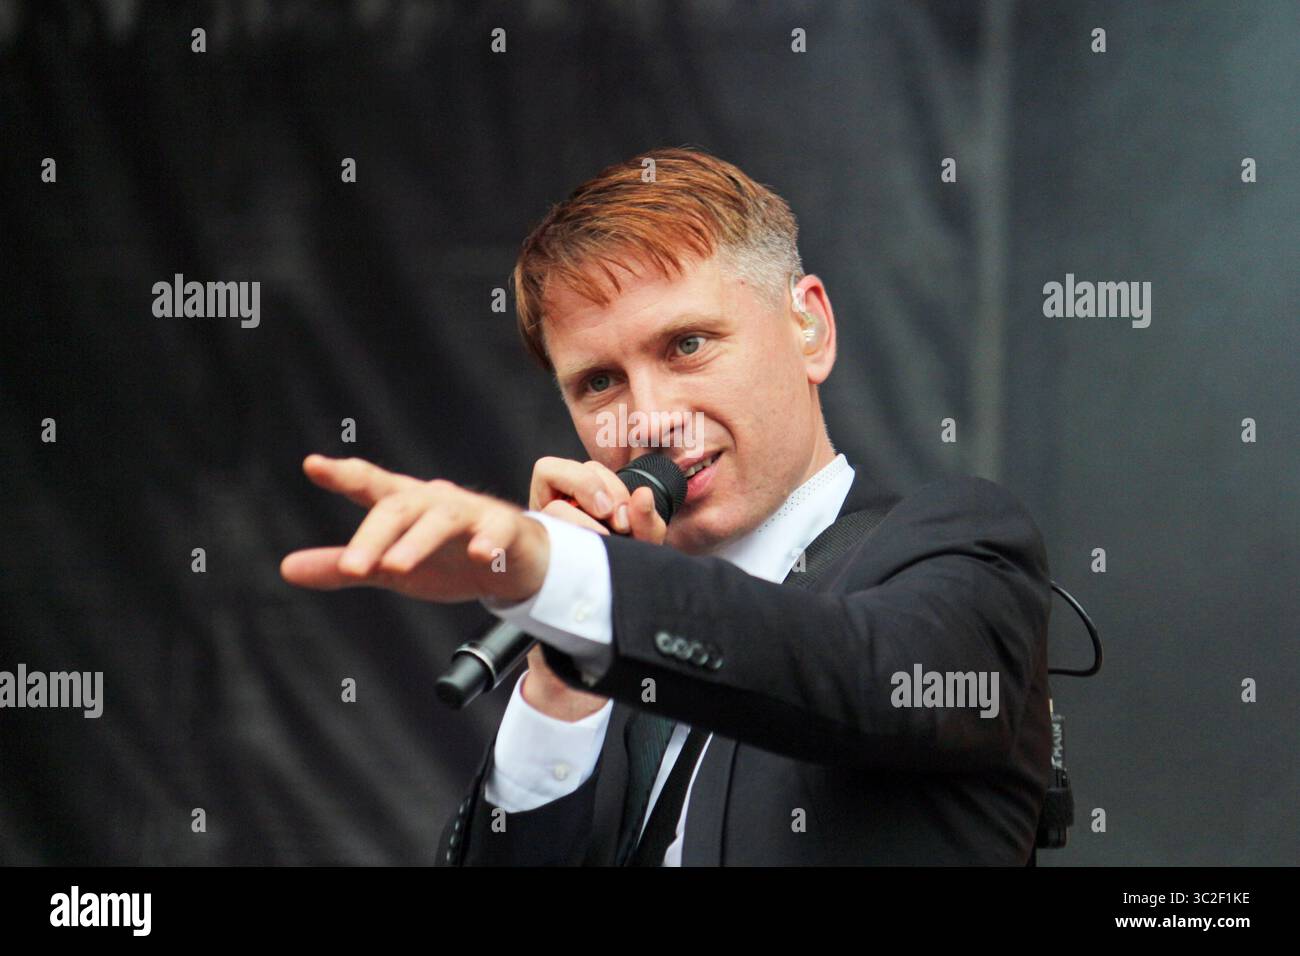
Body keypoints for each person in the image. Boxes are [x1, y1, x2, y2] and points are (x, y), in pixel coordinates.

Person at [280, 146, 1053, 865]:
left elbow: (857, 670)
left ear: (809, 327)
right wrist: (559, 674)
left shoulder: (963, 548)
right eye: (599, 382)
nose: (646, 418)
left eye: (687, 345)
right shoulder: (609, 655)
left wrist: (573, 579)